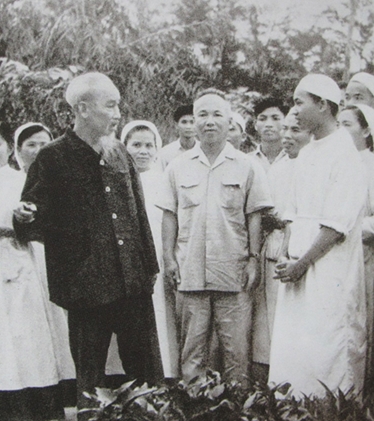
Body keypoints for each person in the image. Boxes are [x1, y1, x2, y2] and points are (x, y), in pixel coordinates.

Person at [13, 72, 163, 421]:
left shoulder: (119, 152)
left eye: (118, 105)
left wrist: (149, 268)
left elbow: (139, 214)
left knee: (147, 377)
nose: (117, 113)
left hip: (133, 284)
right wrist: (24, 217)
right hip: (85, 289)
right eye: (110, 105)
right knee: (91, 382)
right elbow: (34, 218)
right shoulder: (52, 157)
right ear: (82, 108)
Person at [158, 92, 273, 386]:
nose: (210, 122)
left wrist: (253, 261)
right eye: (203, 115)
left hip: (233, 273)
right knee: (192, 352)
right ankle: (194, 408)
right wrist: (169, 259)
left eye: (217, 115)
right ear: (193, 122)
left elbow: (254, 217)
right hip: (190, 272)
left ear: (229, 120)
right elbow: (169, 215)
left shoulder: (247, 166)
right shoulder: (177, 166)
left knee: (236, 353)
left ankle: (238, 410)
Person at [270, 74, 368, 397]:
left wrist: (302, 263)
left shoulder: (345, 153)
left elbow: (336, 227)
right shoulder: (308, 151)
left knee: (325, 349)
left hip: (328, 269)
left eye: (300, 102)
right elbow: (292, 213)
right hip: (297, 266)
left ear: (323, 105)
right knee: (293, 347)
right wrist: (287, 256)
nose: (294, 111)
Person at [0, 123, 74, 421]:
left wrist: (23, 216)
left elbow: (36, 216)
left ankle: (37, 405)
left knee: (26, 333)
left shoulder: (21, 179)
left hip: (18, 260)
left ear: (7, 147)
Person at [251, 109, 312, 382]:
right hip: (270, 247)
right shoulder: (272, 168)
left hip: (301, 251)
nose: (286, 136)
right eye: (284, 130)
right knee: (265, 319)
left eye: (293, 130)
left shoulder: (311, 165)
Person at [120, 120, 179, 379]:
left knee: (162, 313)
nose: (143, 151)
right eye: (136, 145)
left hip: (160, 255)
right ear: (124, 147)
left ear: (158, 149)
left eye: (148, 145)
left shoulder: (165, 180)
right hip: (127, 262)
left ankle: (166, 371)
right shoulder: (117, 179)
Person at [338, 104, 374, 391]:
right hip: (332, 258)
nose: (341, 131)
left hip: (361, 257)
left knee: (356, 327)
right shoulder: (334, 162)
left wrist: (344, 230)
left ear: (366, 130)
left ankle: (357, 393)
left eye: (348, 124)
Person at [248, 97, 289, 172]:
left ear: (286, 122)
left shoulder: (295, 158)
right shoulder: (247, 161)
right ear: (255, 124)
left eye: (275, 118)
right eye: (262, 119)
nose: (268, 124)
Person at [156, 104, 195, 170]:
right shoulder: (165, 152)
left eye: (192, 122)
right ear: (176, 125)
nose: (188, 126)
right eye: (184, 122)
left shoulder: (204, 150)